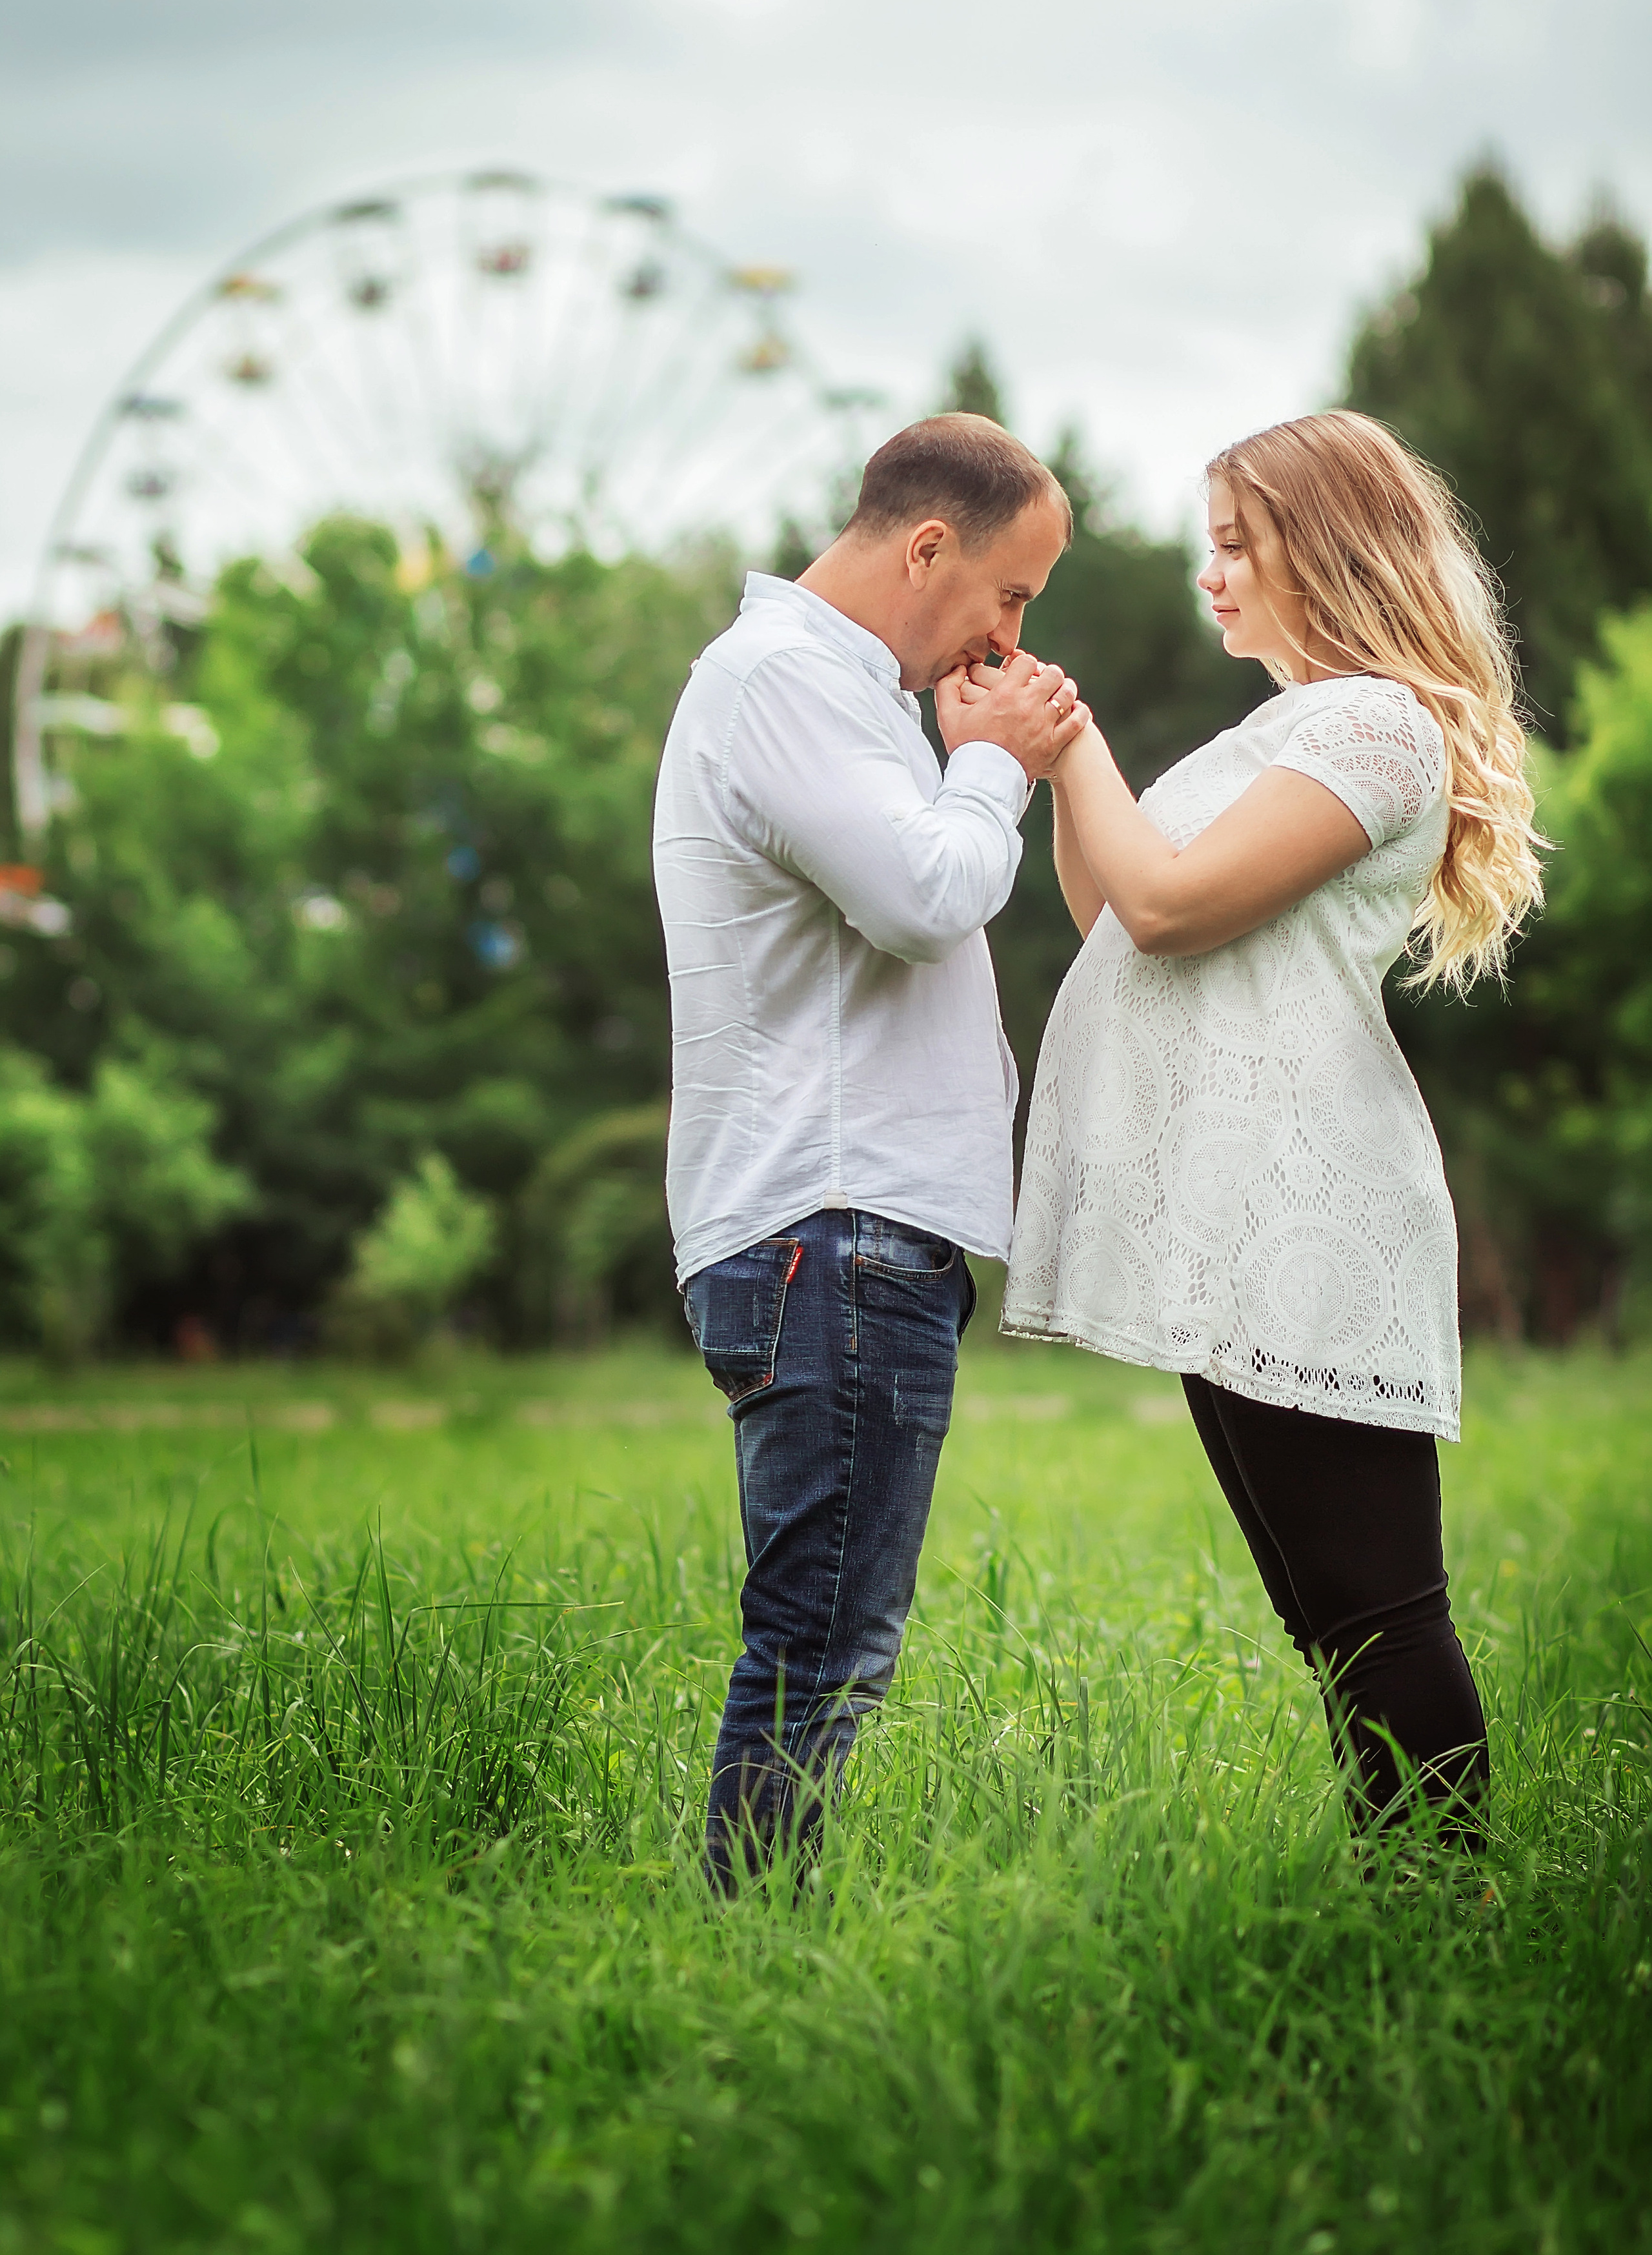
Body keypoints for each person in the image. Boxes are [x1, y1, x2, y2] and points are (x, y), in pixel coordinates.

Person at [976, 410, 1542, 1843]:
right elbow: (1108, 910)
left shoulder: (1371, 723)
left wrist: (1075, 742)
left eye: (1237, 545)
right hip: (1228, 1212)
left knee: (1375, 1614)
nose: (1209, 575)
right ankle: (1407, 1909)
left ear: (1330, 548)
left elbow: (1164, 909)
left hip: (1308, 1210)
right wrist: (1059, 770)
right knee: (1324, 1616)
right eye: (1204, 548)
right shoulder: (1282, 725)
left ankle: (1443, 1911)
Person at [653, 413, 1088, 1889]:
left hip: (836, 1235)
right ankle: (750, 1960)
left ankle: (755, 1946)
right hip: (827, 1231)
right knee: (822, 1645)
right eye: (1010, 594)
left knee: (831, 1636)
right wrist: (995, 766)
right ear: (925, 548)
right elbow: (922, 896)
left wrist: (960, 755)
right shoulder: (786, 683)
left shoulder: (833, 695)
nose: (1010, 631)